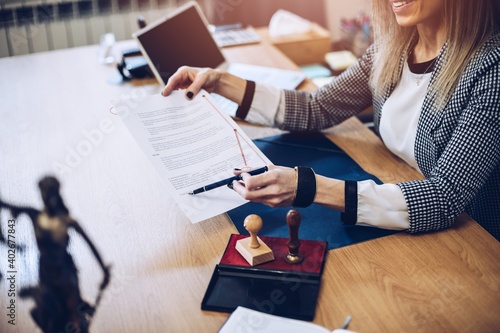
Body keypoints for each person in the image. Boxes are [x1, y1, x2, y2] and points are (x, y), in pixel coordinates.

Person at [162, 0, 500, 240]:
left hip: (473, 238)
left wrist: (309, 187)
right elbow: (317, 107)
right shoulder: (394, 46)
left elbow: (443, 198)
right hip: (395, 190)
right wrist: (220, 81)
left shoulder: (490, 67)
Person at [0, 176, 111, 333]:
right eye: (44, 194)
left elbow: (91, 246)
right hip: (45, 273)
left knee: (70, 313)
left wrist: (104, 270)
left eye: (49, 194)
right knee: (48, 315)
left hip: (64, 274)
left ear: (56, 195)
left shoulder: (66, 221)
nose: (46, 198)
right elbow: (4, 205)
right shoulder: (35, 215)